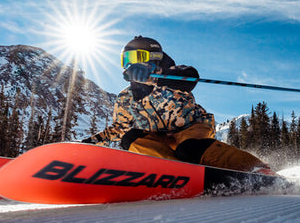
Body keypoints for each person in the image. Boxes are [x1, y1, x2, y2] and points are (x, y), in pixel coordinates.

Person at [82, 36, 275, 174]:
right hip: (161, 141)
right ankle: (175, 171)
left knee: (188, 149)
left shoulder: (170, 78)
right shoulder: (125, 98)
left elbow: (189, 76)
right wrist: (89, 143)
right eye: (126, 60)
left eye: (137, 58)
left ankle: (257, 168)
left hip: (192, 131)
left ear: (154, 57)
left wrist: (156, 80)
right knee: (130, 138)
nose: (130, 65)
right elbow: (119, 128)